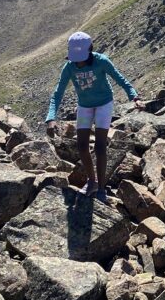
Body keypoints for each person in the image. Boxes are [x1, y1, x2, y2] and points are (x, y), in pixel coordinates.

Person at [45, 31, 141, 200]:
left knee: (100, 146)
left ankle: (102, 188)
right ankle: (92, 181)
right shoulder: (69, 68)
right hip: (85, 107)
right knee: (82, 146)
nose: (78, 62)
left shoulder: (101, 61)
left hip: (104, 104)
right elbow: (57, 93)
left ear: (90, 49)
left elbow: (120, 79)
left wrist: (134, 97)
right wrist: (51, 118)